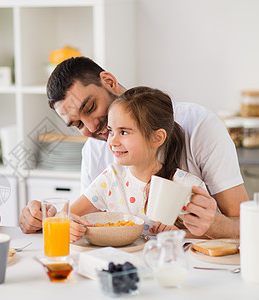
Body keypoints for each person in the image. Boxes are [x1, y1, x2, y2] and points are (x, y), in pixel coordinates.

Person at [19, 56, 248, 239]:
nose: (92, 128)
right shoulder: (95, 153)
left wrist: (212, 225)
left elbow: (245, 224)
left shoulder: (199, 126)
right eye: (77, 124)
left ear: (109, 82)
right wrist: (41, 220)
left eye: (90, 107)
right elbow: (78, 220)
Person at [67, 86, 207, 242]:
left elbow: (212, 235)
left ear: (157, 138)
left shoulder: (188, 187)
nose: (112, 141)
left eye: (124, 132)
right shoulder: (111, 179)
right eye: (111, 131)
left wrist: (181, 233)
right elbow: (65, 215)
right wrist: (68, 225)